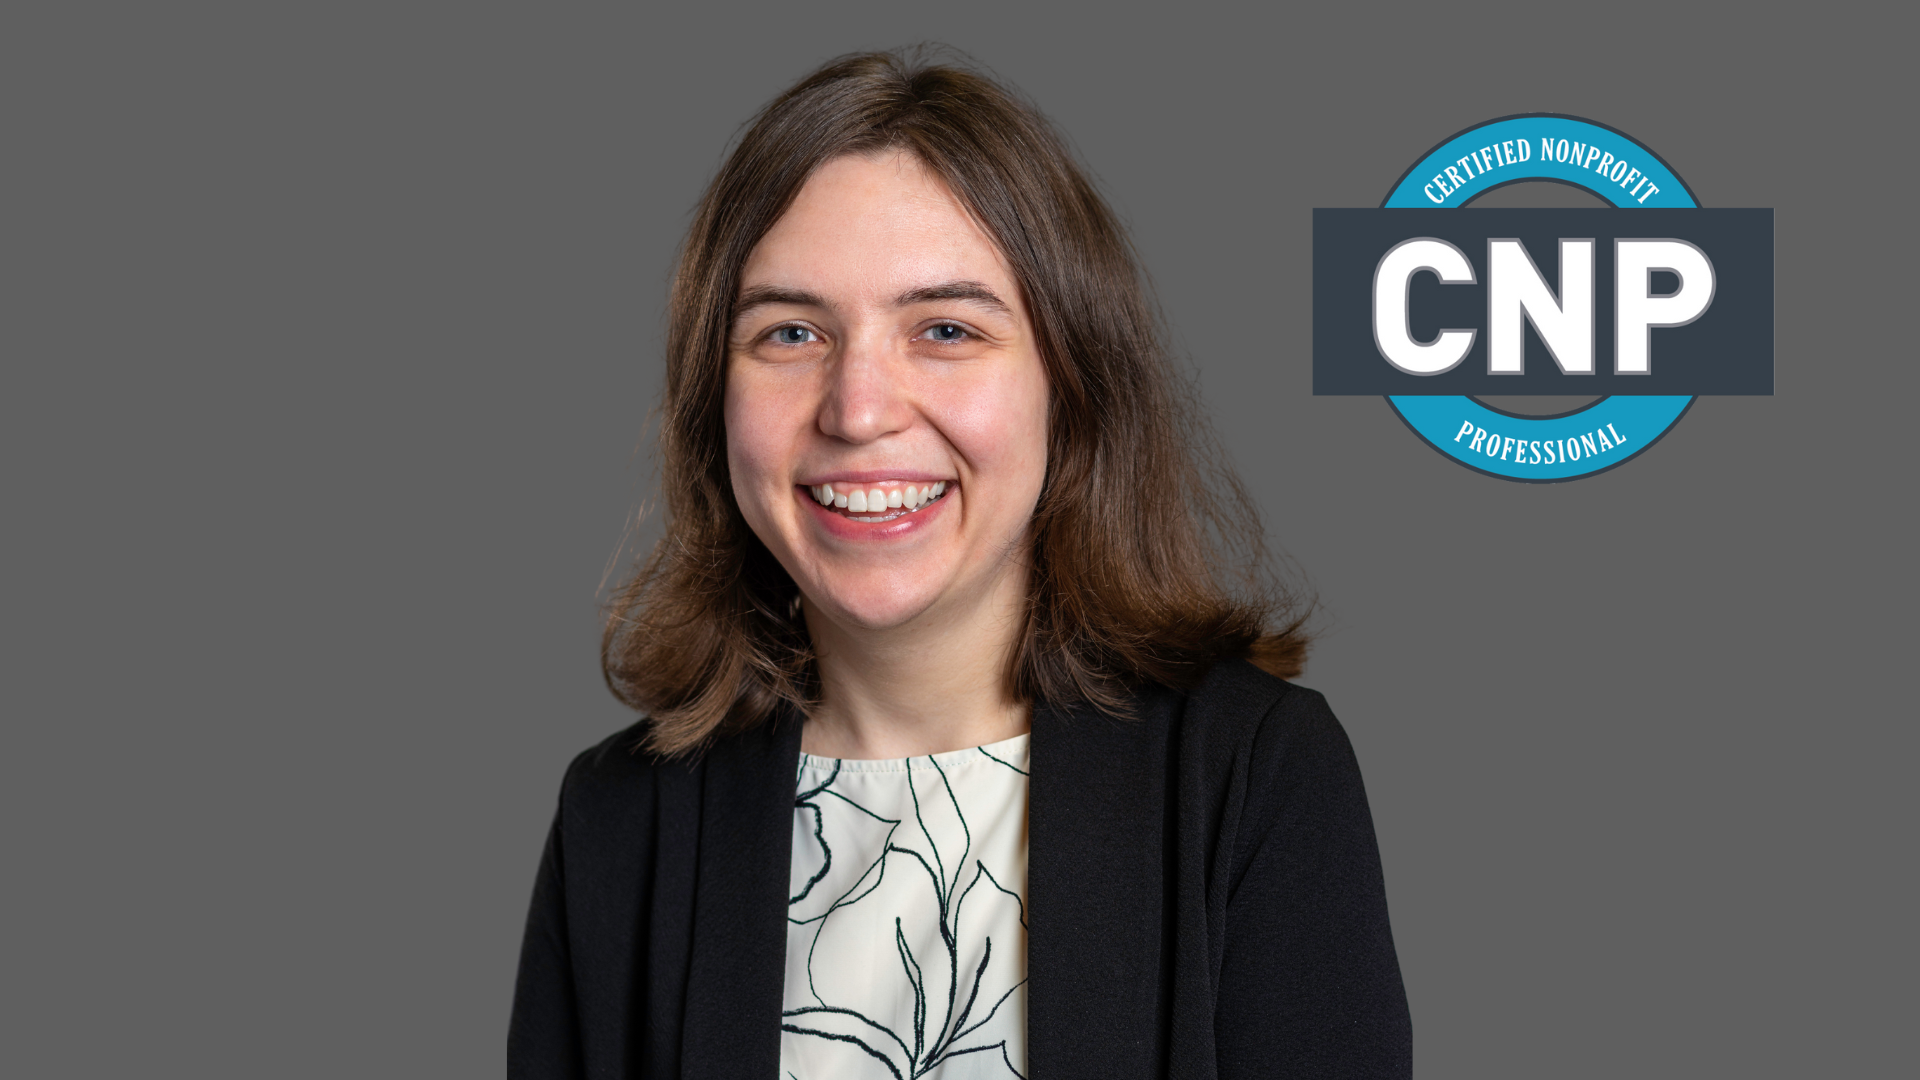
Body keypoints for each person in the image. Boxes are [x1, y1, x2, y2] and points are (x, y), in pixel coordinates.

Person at [509, 48, 1411, 1079]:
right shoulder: (618, 821)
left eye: (944, 328)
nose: (857, 409)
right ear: (715, 398)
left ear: (1069, 387)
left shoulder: (1256, 776)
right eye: (791, 332)